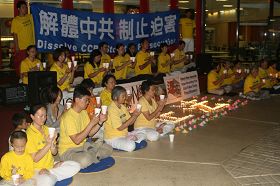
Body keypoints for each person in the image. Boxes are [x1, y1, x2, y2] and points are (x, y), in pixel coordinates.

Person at [25, 104, 80, 185]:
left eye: (45, 115)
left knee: (76, 165)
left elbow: (54, 153)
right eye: (41, 116)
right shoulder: (28, 134)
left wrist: (53, 144)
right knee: (47, 180)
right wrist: (48, 144)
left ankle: (51, 173)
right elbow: (35, 159)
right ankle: (51, 176)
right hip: (37, 169)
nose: (44, 118)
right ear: (32, 116)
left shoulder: (47, 129)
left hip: (51, 166)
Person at [59, 86, 113, 169]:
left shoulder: (83, 112)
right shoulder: (68, 117)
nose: (88, 102)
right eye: (86, 100)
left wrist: (100, 122)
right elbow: (77, 140)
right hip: (68, 150)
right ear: (77, 100)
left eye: (88, 100)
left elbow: (90, 134)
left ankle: (91, 154)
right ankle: (92, 155)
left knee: (108, 148)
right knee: (85, 160)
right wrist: (91, 123)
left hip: (83, 146)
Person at [104, 86, 145, 152]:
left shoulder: (122, 107)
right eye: (123, 96)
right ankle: (116, 144)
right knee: (131, 146)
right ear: (115, 97)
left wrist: (135, 115)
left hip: (124, 135)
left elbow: (130, 122)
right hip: (113, 137)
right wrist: (133, 116)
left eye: (125, 96)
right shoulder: (111, 109)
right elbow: (120, 128)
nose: (125, 98)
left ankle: (128, 140)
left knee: (143, 135)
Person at [11, 1, 35, 77]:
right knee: (21, 65)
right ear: (19, 9)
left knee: (32, 64)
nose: (25, 9)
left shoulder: (30, 17)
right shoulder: (16, 20)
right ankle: (21, 80)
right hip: (22, 47)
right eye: (23, 7)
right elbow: (15, 34)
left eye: (26, 7)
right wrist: (17, 46)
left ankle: (31, 80)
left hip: (31, 46)